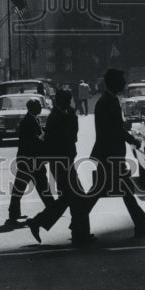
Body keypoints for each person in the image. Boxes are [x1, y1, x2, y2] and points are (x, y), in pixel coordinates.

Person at [87, 68, 145, 238]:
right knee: (100, 192)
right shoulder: (109, 101)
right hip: (110, 155)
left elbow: (113, 128)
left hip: (108, 154)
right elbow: (114, 130)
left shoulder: (108, 100)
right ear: (113, 82)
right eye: (121, 79)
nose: (124, 83)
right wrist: (132, 139)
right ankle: (77, 225)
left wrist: (124, 131)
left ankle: (140, 224)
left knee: (123, 191)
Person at [26, 89, 94, 246]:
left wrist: (71, 117)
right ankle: (79, 233)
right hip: (60, 163)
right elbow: (68, 137)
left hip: (65, 162)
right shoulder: (55, 118)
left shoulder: (66, 114)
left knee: (68, 199)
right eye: (67, 100)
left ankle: (76, 233)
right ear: (60, 101)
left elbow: (73, 135)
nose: (69, 103)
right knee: (78, 197)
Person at [3, 98, 55, 228]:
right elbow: (34, 141)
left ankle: (14, 213)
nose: (40, 108)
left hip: (28, 160)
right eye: (38, 106)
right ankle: (52, 208)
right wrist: (45, 137)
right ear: (32, 108)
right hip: (30, 160)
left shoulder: (32, 119)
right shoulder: (29, 121)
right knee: (39, 186)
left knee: (22, 188)